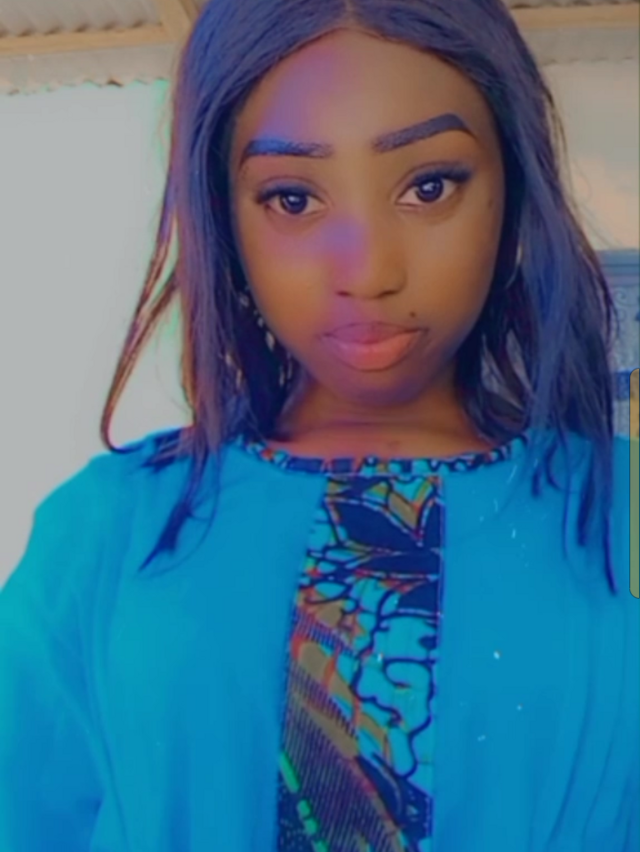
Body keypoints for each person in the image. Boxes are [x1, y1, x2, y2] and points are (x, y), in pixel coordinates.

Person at [0, 0, 637, 850]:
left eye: (429, 186)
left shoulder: (624, 509)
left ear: (514, 187)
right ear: (222, 217)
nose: (367, 270)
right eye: (293, 198)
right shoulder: (107, 531)